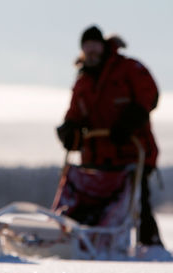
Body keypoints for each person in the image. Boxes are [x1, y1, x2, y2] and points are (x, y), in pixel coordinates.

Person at [57, 25, 164, 248]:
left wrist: (129, 122)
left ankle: (151, 249)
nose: (91, 51)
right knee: (88, 207)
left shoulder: (128, 69)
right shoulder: (83, 82)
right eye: (87, 48)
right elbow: (75, 114)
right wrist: (69, 129)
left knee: (138, 205)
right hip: (95, 162)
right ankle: (83, 245)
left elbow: (150, 95)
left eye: (95, 46)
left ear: (103, 46)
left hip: (132, 155)